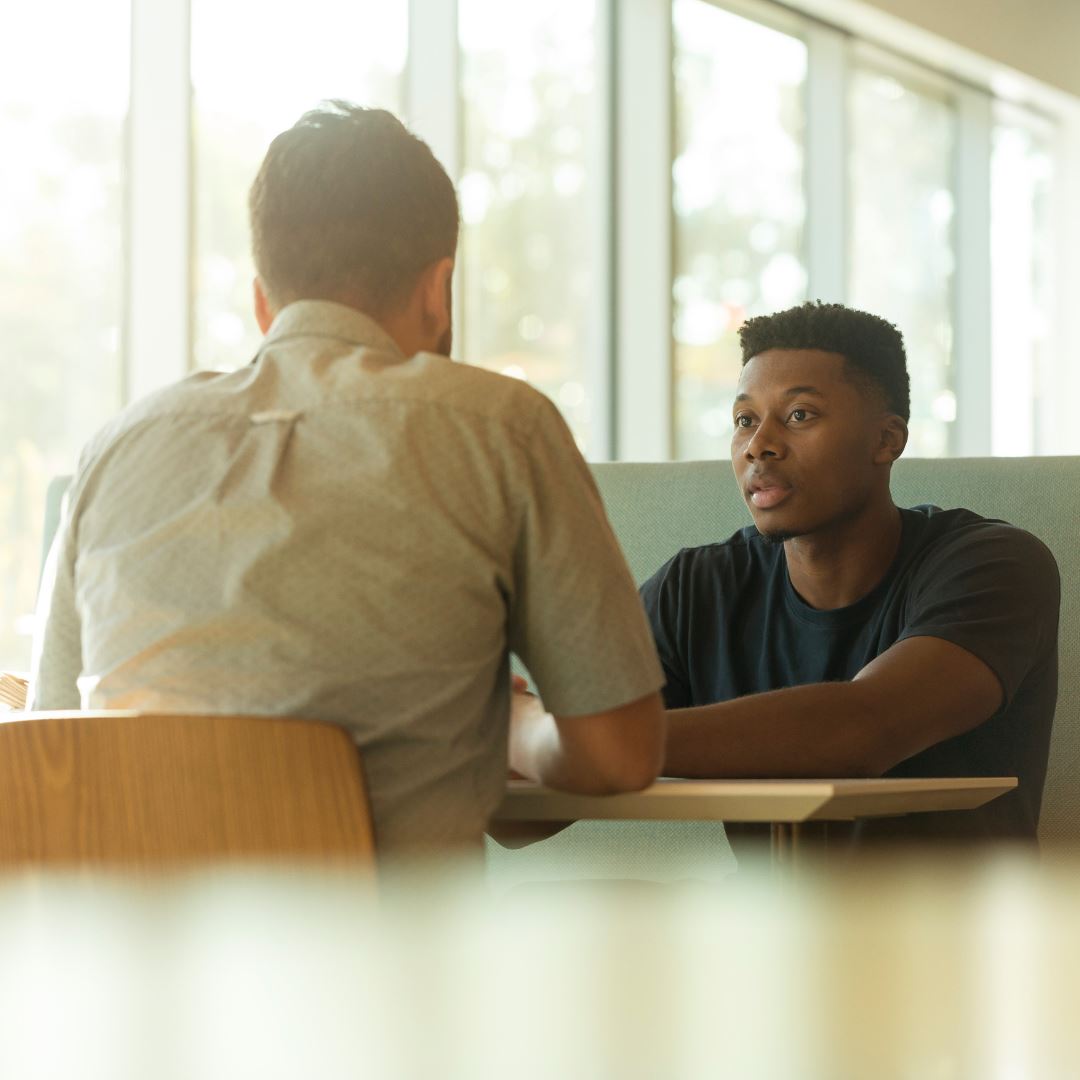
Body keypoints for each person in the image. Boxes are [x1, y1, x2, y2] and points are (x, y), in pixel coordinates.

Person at [29, 103, 665, 856]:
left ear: (264, 301)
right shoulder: (502, 427)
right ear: (439, 290)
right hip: (389, 965)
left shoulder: (116, 448)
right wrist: (516, 728)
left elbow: (50, 744)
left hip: (126, 964)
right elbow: (620, 755)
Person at [640, 301, 1059, 847]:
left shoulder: (994, 565)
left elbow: (861, 731)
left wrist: (586, 741)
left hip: (958, 927)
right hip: (770, 927)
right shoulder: (694, 589)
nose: (758, 445)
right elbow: (522, 820)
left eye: (799, 416)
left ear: (887, 440)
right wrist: (520, 735)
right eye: (745, 420)